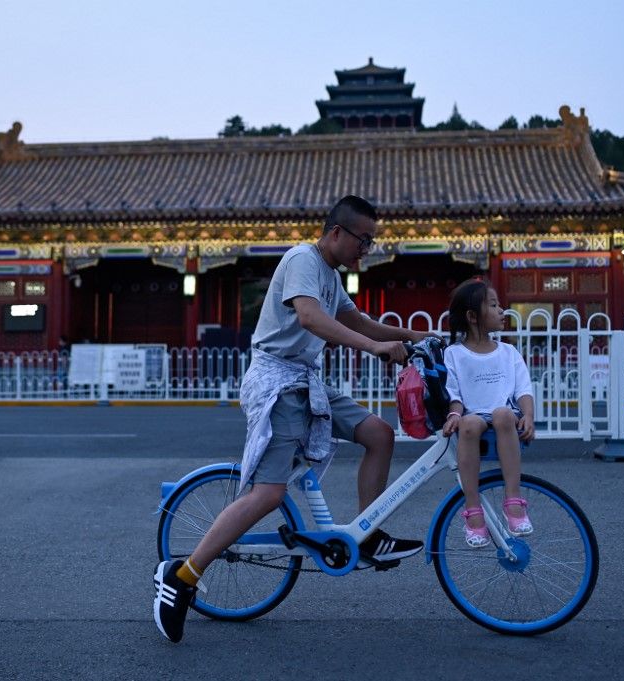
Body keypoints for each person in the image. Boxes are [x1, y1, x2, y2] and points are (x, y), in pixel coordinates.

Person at [153, 195, 436, 643]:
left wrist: (417, 336)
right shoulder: (303, 259)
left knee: (379, 434)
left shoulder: (330, 275)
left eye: (372, 242)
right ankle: (182, 575)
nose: (367, 249)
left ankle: (367, 534)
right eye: (363, 240)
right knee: (269, 494)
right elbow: (310, 317)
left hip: (307, 381)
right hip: (278, 383)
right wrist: (376, 348)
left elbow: (358, 322)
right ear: (336, 233)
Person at [441, 279, 535, 547]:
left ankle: (513, 500)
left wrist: (528, 415)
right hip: (474, 416)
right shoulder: (454, 354)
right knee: (469, 423)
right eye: (493, 305)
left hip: (504, 415)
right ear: (472, 317)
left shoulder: (508, 352)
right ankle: (473, 509)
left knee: (503, 414)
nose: (501, 310)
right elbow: (454, 394)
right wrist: (454, 415)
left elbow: (523, 389)